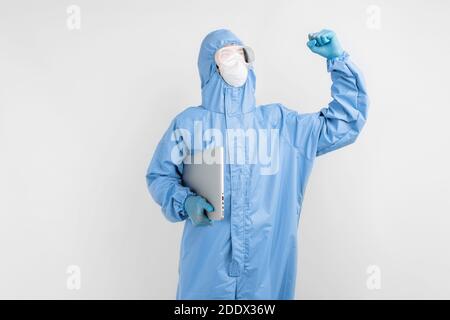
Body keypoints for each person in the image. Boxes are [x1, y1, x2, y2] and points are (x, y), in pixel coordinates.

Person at [146, 29, 368, 299]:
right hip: (206, 272)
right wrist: (184, 201)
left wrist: (338, 61)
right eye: (226, 55)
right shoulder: (189, 124)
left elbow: (344, 122)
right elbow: (160, 176)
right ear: (209, 66)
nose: (236, 61)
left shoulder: (281, 126)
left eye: (242, 53)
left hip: (265, 274)